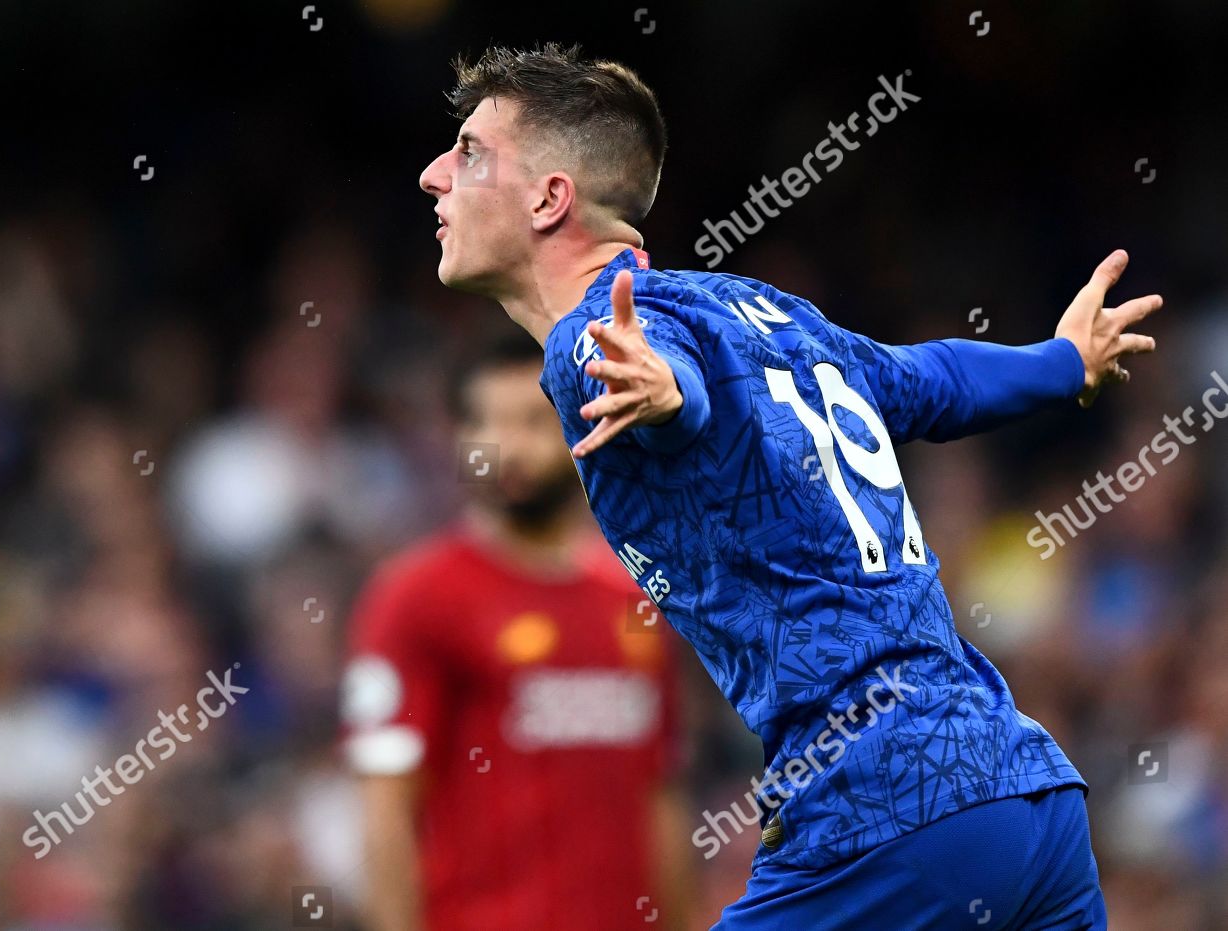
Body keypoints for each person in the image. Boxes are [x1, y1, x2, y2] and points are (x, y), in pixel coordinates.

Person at [418, 42, 1163, 930]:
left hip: (887, 809)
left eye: (469, 153)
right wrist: (1061, 361)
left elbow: (668, 387)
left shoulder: (598, 343)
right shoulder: (755, 308)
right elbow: (927, 380)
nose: (434, 175)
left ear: (551, 198)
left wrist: (668, 397)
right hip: (1025, 793)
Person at [342, 333, 694, 930]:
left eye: (535, 422)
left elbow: (660, 795)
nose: (512, 448)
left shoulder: (637, 602)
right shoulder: (414, 597)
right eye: (489, 424)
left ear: (584, 428)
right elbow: (385, 809)